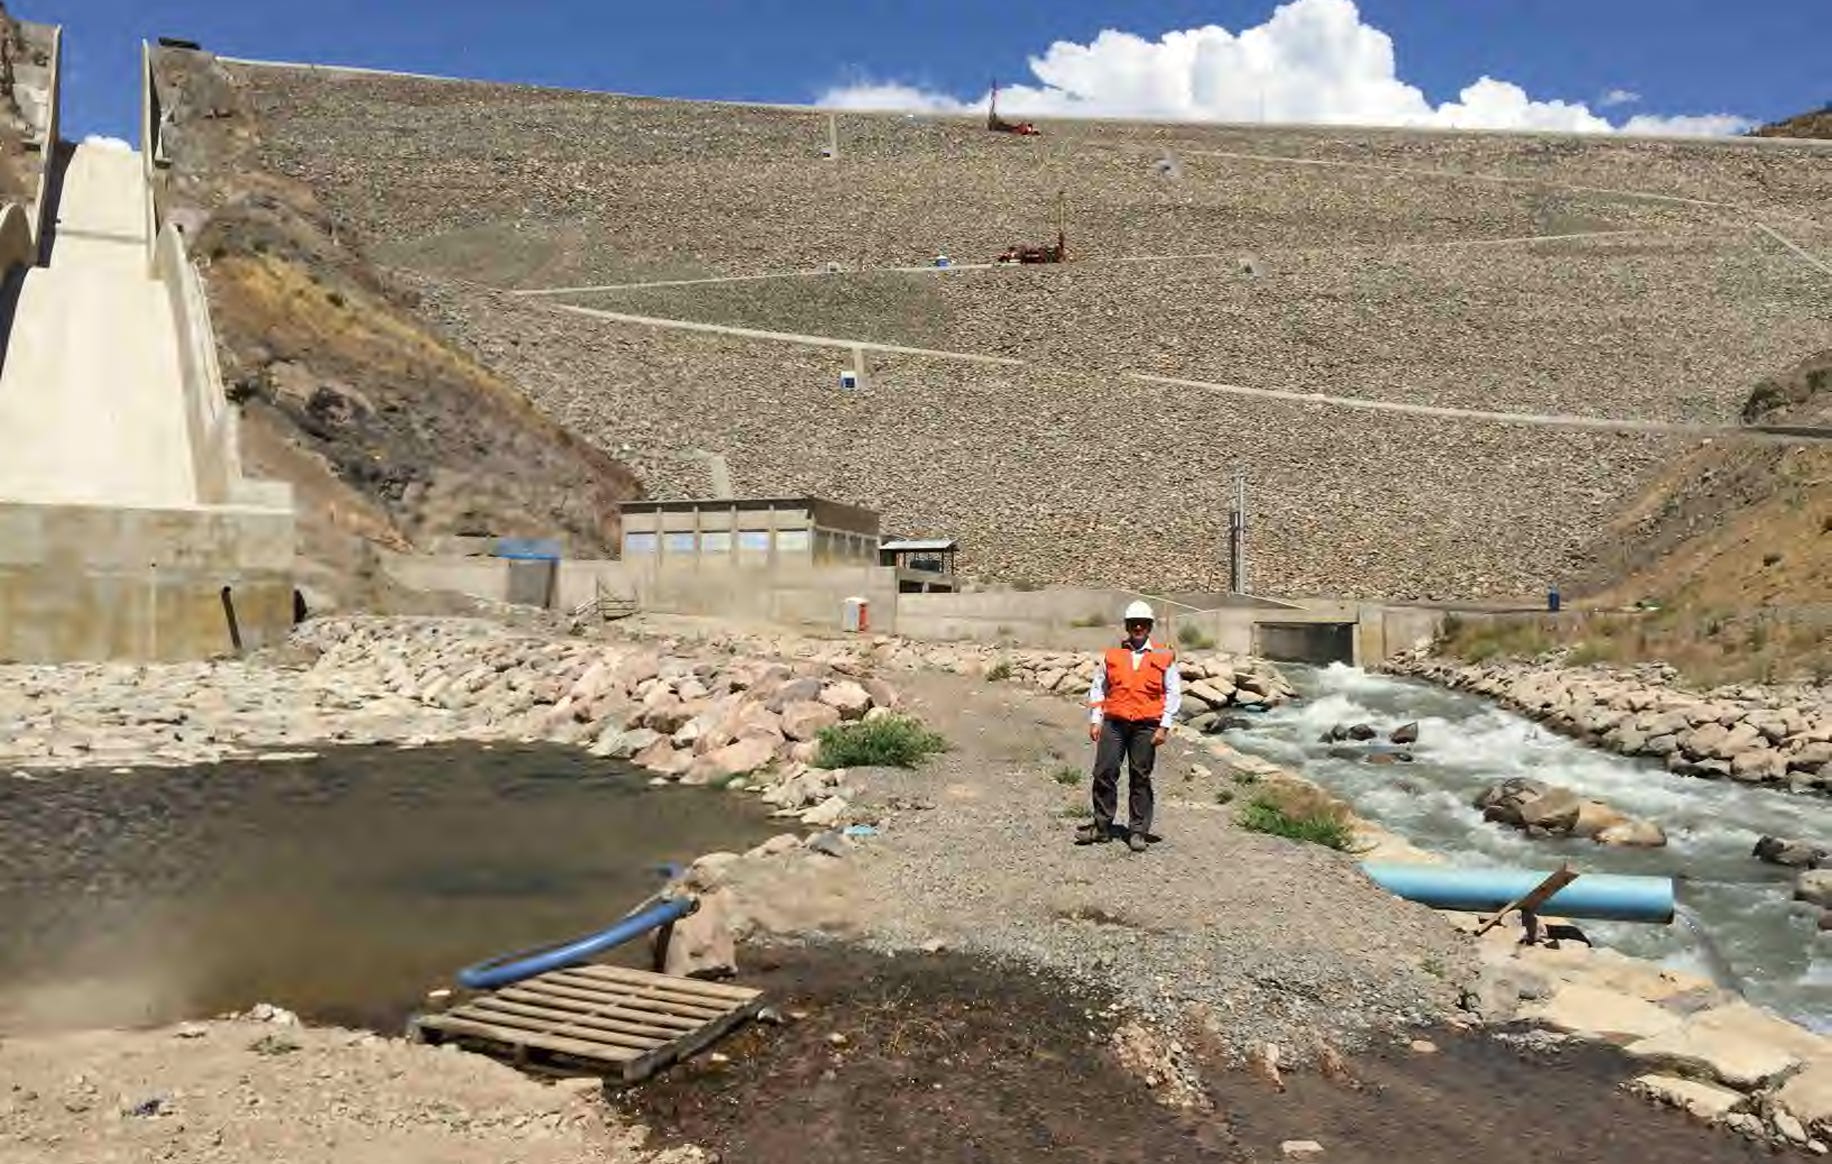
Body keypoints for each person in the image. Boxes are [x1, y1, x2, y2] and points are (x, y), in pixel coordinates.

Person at [1076, 601, 1180, 853]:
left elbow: (1173, 692)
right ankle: (1102, 827)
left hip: (1146, 725)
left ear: (1150, 626)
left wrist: (1164, 727)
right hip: (1114, 722)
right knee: (1104, 772)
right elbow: (1099, 687)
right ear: (1127, 626)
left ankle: (1137, 831)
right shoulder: (1112, 655)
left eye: (1143, 623)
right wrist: (1095, 719)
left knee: (1140, 777)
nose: (1138, 627)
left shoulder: (1164, 656)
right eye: (1133, 623)